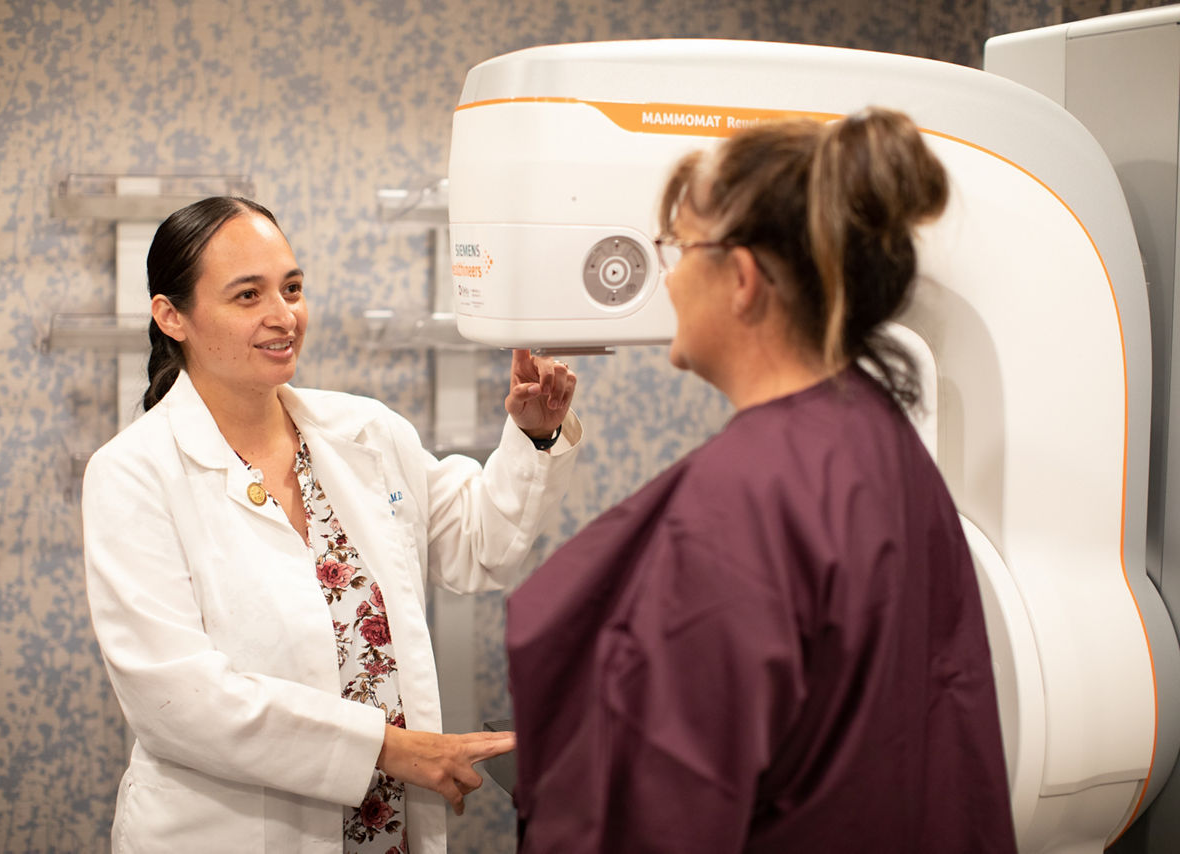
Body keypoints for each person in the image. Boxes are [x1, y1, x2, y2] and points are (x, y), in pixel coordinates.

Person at [506, 109, 1017, 852]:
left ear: (742, 279)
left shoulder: (742, 500)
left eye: (680, 248)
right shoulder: (881, 438)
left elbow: (663, 804)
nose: (669, 277)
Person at [82, 196, 581, 854]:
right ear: (171, 315)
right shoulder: (133, 473)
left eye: (291, 288)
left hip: (385, 829)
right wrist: (390, 749)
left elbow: (479, 547)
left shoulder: (364, 433)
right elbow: (179, 701)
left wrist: (535, 436)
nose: (283, 315)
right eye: (247, 295)